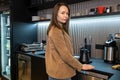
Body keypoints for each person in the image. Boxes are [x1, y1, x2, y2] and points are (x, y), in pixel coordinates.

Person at [45, 3, 94, 80]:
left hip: (58, 72)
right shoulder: (56, 31)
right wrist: (81, 66)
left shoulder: (59, 29)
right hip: (60, 74)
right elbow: (65, 55)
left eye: (67, 13)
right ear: (55, 14)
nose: (66, 16)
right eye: (62, 13)